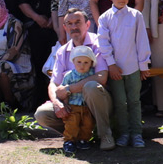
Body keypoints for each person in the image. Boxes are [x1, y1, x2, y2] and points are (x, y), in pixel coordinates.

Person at [33, 9, 116, 151]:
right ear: (64, 27)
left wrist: (68, 89)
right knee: (42, 114)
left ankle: (105, 134)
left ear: (87, 24)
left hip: (98, 105)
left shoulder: (98, 43)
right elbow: (53, 83)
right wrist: (57, 102)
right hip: (73, 107)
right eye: (69, 24)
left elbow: (102, 77)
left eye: (78, 22)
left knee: (91, 87)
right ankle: (76, 134)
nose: (74, 27)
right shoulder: (62, 51)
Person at [96, 0, 150, 148]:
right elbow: (103, 42)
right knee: (120, 103)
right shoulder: (105, 18)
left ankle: (136, 134)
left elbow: (142, 41)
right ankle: (124, 133)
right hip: (115, 71)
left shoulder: (136, 16)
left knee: (134, 101)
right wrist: (111, 65)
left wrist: (143, 65)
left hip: (133, 68)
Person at [18, 0, 57, 105]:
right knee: (38, 64)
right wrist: (37, 17)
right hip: (35, 26)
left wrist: (52, 19)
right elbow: (21, 1)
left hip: (56, 27)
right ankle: (40, 101)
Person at [59, 46, 98, 155]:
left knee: (88, 123)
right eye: (79, 62)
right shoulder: (69, 76)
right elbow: (63, 90)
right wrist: (65, 104)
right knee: (72, 123)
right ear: (73, 62)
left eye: (86, 62)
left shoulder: (92, 74)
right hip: (73, 105)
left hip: (87, 106)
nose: (82, 65)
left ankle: (83, 139)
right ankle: (69, 141)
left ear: (91, 63)